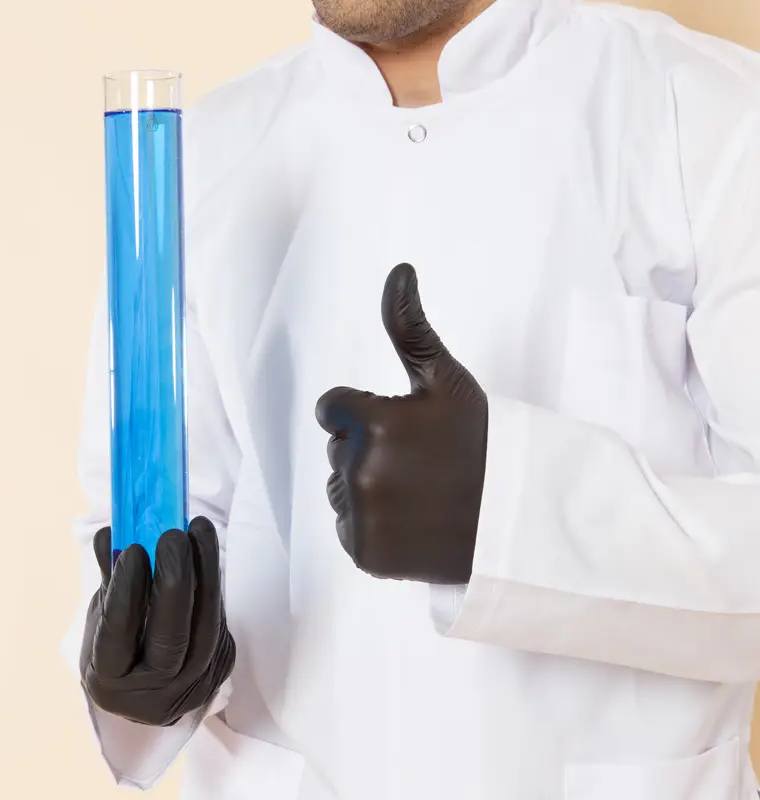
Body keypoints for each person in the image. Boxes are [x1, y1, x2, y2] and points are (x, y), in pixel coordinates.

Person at [60, 0, 760, 797]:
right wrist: (147, 683)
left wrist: (512, 512)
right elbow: (139, 527)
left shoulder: (715, 121)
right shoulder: (197, 155)